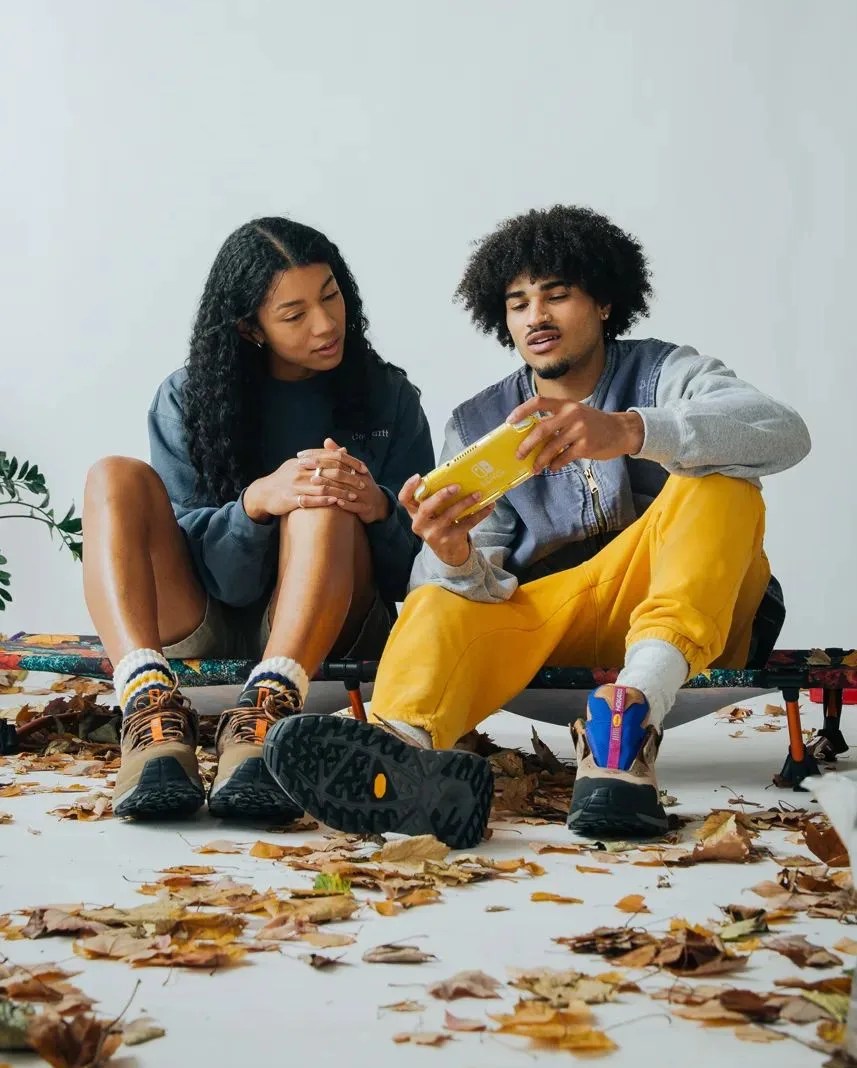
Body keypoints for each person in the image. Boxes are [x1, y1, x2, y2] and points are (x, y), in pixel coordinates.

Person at [261, 204, 811, 848]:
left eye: (557, 295)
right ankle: (403, 756)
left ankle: (629, 713)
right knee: (435, 596)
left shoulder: (668, 373)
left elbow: (784, 433)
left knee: (720, 482)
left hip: (696, 619)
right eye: (518, 304)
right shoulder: (479, 424)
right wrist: (455, 555)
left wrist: (631, 430)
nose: (536, 318)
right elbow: (468, 593)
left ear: (604, 301)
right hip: (555, 624)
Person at [82, 217, 433, 822]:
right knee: (112, 476)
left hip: (330, 626)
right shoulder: (187, 398)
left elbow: (419, 577)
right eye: (294, 315)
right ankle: (147, 705)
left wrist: (377, 508)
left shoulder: (388, 396)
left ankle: (268, 708)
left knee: (321, 494)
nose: (326, 324)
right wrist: (256, 503)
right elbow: (202, 563)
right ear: (250, 328)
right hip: (203, 615)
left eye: (331, 296)